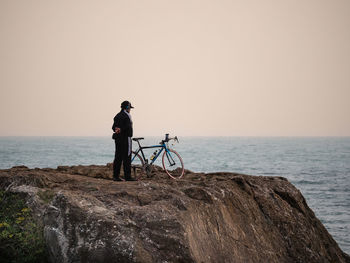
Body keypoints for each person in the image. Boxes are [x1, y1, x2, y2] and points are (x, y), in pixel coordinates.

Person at [112, 100, 136, 181]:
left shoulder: (117, 115)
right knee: (127, 157)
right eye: (129, 108)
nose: (130, 110)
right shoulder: (127, 115)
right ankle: (127, 176)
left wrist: (117, 129)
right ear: (127, 107)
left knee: (118, 157)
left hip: (118, 139)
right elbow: (128, 127)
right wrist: (121, 129)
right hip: (126, 138)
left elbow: (113, 127)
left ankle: (116, 176)